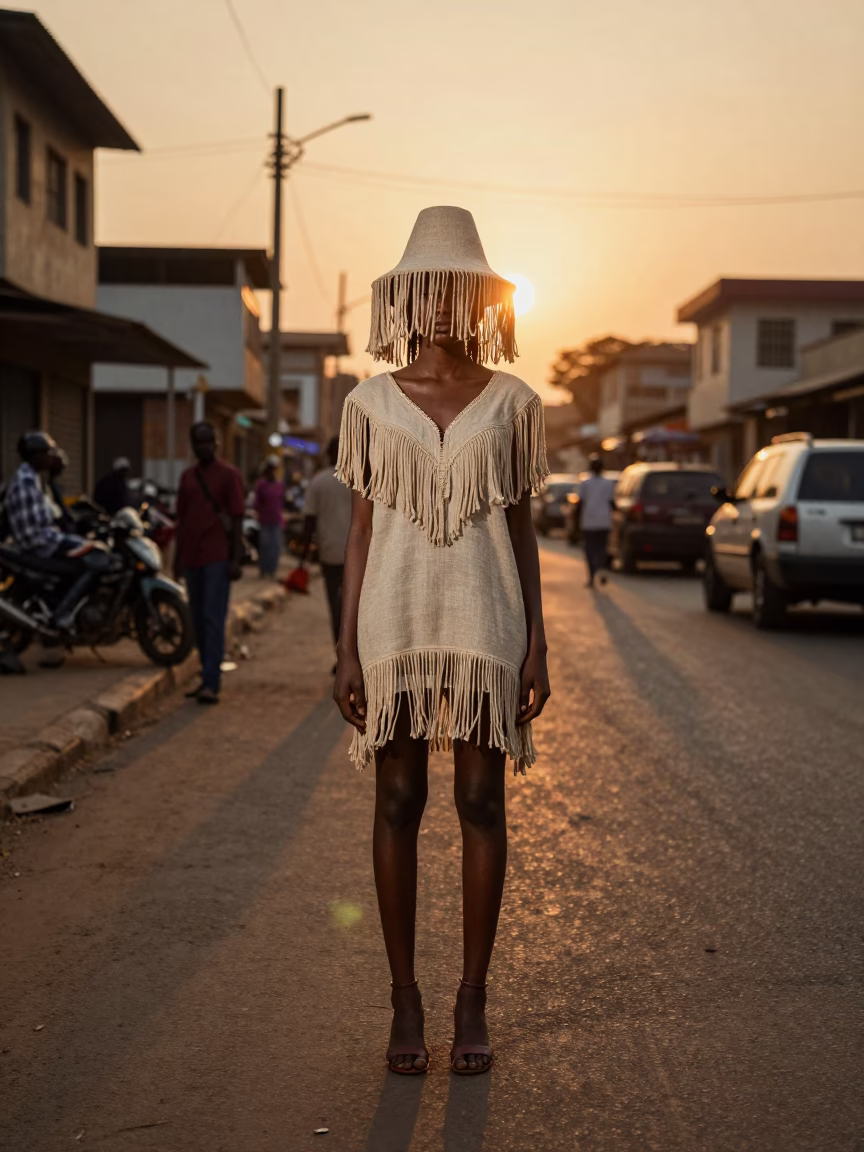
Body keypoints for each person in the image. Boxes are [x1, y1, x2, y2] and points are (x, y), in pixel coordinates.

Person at [333, 207, 551, 1076]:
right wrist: (348, 648)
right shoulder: (367, 403)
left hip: (486, 622)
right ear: (405, 296)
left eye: (457, 288)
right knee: (396, 802)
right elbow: (359, 533)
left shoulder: (514, 403)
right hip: (395, 625)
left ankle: (471, 997)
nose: (439, 305)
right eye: (426, 287)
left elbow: (524, 529)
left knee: (480, 803)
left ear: (479, 299)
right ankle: (405, 1001)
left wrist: (537, 640)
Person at [5, 431, 110, 631]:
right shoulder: (26, 482)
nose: (50, 458)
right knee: (97, 557)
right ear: (35, 455)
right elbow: (35, 532)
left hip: (45, 539)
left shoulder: (35, 479)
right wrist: (69, 540)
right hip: (41, 544)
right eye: (46, 453)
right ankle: (63, 614)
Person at [174, 422, 245, 705]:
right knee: (197, 620)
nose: (204, 447)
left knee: (213, 619)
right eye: (198, 442)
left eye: (208, 441)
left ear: (216, 443)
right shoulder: (187, 478)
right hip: (192, 558)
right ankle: (206, 674)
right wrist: (178, 558)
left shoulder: (229, 476)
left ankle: (211, 683)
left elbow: (238, 518)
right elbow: (182, 520)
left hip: (217, 557)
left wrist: (236, 559)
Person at [300, 437, 352, 654]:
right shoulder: (359, 479)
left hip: (330, 554)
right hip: (360, 556)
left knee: (335, 607)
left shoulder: (319, 481)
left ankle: (340, 655)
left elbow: (309, 520)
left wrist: (303, 554)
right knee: (355, 608)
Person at [579, 454, 617, 588]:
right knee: (602, 548)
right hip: (603, 521)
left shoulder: (585, 483)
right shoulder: (608, 484)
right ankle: (601, 571)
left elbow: (580, 504)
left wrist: (577, 521)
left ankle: (591, 576)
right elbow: (612, 503)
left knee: (590, 549)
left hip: (589, 521)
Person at [253, 456, 285, 579]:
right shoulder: (261, 485)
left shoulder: (279, 485)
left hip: (276, 520)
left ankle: (272, 570)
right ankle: (264, 570)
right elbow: (257, 502)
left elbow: (281, 502)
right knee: (265, 546)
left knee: (275, 546)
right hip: (265, 520)